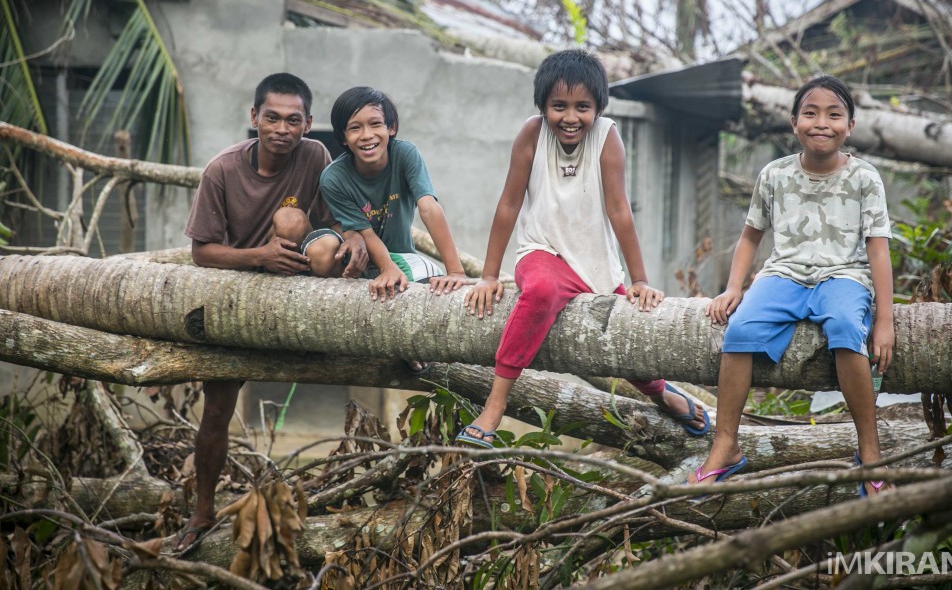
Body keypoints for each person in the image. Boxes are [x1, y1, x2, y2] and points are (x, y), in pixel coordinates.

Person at [459, 49, 708, 449]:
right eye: (559, 106)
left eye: (582, 107)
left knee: (624, 335)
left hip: (594, 262)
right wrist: (489, 275)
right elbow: (508, 204)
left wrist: (640, 279)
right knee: (539, 292)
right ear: (542, 106)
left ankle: (661, 392)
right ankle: (494, 404)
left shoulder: (607, 137)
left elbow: (619, 210)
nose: (570, 117)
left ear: (598, 108)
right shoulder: (531, 134)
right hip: (541, 251)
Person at [175, 72, 367, 553]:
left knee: (301, 225)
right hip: (239, 299)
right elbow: (202, 252)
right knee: (216, 409)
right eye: (273, 118)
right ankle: (201, 513)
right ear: (254, 117)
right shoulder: (222, 170)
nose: (283, 129)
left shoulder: (316, 156)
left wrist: (354, 237)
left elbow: (332, 220)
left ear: (308, 124)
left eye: (294, 120)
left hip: (300, 292)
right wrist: (258, 257)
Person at [687, 75, 894, 497]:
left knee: (844, 329)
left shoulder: (864, 178)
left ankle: (869, 451)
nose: (822, 123)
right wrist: (732, 288)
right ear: (794, 122)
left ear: (850, 125)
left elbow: (877, 249)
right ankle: (726, 443)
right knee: (740, 331)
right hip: (783, 276)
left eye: (834, 115)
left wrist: (885, 319)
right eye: (811, 113)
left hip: (844, 277)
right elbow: (750, 236)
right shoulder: (774, 174)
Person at [310, 86, 467, 371]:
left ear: (391, 127)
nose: (367, 135)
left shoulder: (405, 154)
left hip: (400, 257)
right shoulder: (334, 177)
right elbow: (365, 232)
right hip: (359, 261)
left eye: (375, 124)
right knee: (324, 250)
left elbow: (428, 207)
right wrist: (386, 269)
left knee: (430, 281)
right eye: (355, 128)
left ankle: (409, 345)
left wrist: (455, 270)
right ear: (343, 138)